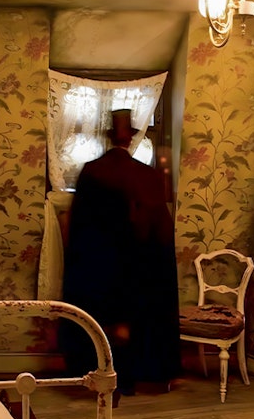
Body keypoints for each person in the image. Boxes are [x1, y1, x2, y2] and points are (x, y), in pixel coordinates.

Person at [59, 109, 181, 395]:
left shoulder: (92, 171)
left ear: (110, 138)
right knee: (132, 320)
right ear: (131, 140)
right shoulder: (146, 175)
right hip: (139, 264)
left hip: (98, 264)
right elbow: (160, 229)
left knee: (102, 320)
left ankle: (99, 374)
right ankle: (131, 376)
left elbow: (79, 226)